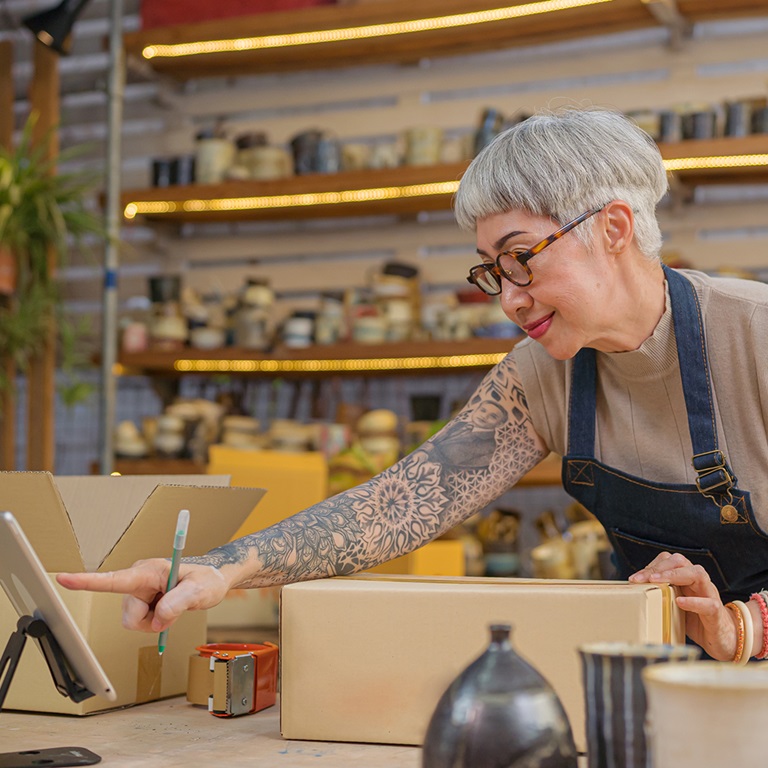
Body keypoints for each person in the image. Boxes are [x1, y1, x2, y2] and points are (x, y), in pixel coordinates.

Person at [58, 106, 768, 663]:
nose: (510, 299)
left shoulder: (754, 337)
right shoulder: (544, 375)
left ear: (613, 228)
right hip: (675, 679)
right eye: (493, 270)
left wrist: (742, 626)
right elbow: (396, 506)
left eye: (521, 257)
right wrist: (220, 571)